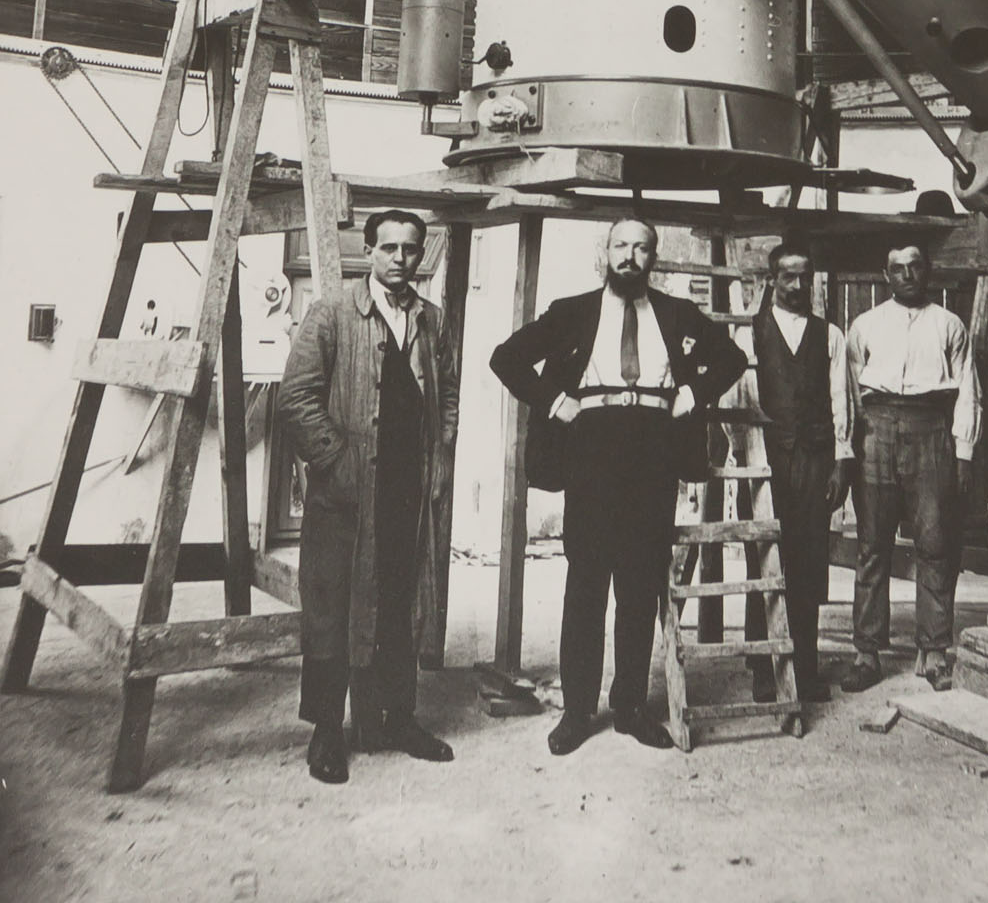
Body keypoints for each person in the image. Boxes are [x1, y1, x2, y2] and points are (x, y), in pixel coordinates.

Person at [490, 217, 747, 755]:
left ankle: (630, 706)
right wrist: (554, 402)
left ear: (653, 256)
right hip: (592, 446)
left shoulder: (677, 313)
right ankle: (577, 712)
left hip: (655, 448)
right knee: (586, 582)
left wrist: (692, 394)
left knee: (638, 584)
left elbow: (732, 358)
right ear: (605, 252)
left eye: (641, 247)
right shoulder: (572, 312)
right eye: (621, 245)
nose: (630, 256)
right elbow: (506, 357)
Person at [278, 209, 459, 785]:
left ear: (421, 254)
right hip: (345, 493)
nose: (400, 259)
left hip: (407, 490)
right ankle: (327, 730)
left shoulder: (432, 320)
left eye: (410, 249)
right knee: (332, 608)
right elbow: (296, 399)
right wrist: (336, 463)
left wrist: (440, 453)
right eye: (389, 248)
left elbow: (448, 394)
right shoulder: (332, 313)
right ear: (369, 251)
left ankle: (399, 718)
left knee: (400, 604)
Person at [841, 242, 977, 691]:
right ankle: (866, 653)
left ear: (927, 271)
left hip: (930, 428)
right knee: (872, 545)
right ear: (886, 275)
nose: (907, 275)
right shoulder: (865, 325)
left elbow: (968, 391)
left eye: (915, 266)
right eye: (897, 268)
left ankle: (934, 650)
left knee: (935, 544)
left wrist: (963, 452)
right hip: (875, 429)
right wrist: (851, 447)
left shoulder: (949, 325)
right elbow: (850, 391)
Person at [741, 242, 857, 705]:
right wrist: (746, 460)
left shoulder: (830, 336)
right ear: (772, 280)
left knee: (808, 564)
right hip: (765, 459)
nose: (798, 284)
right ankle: (764, 667)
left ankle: (804, 667)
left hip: (813, 460)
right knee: (763, 562)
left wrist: (841, 460)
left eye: (805, 275)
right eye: (788, 275)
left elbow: (841, 399)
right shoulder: (750, 334)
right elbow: (740, 399)